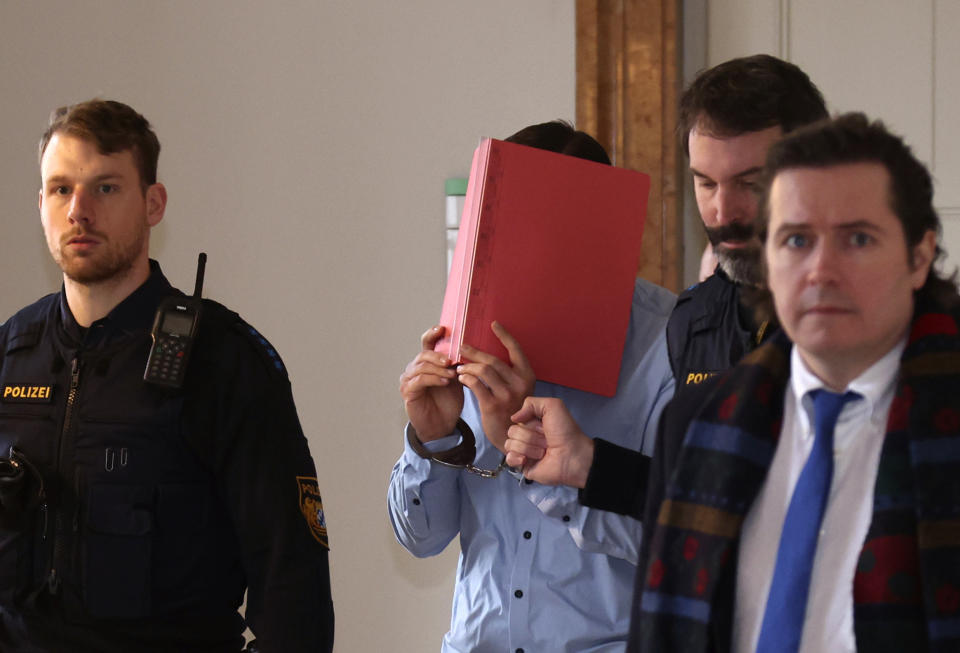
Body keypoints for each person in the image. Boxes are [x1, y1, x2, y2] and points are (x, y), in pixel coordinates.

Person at [0, 100, 333, 652]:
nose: (79, 210)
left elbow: (292, 584)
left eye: (105, 188)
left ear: (154, 204)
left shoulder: (223, 361)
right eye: (61, 189)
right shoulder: (12, 355)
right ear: (40, 205)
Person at [628, 114, 959, 652]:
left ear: (919, 256)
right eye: (796, 239)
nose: (821, 270)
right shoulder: (694, 425)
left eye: (857, 238)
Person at [388, 120, 677, 651]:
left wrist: (534, 456)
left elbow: (678, 542)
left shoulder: (667, 341)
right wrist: (432, 440)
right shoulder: (474, 329)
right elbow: (420, 539)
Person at [504, 54, 828, 514]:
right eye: (706, 183)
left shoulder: (880, 319)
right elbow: (700, 499)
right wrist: (586, 463)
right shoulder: (695, 318)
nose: (722, 211)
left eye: (750, 183)